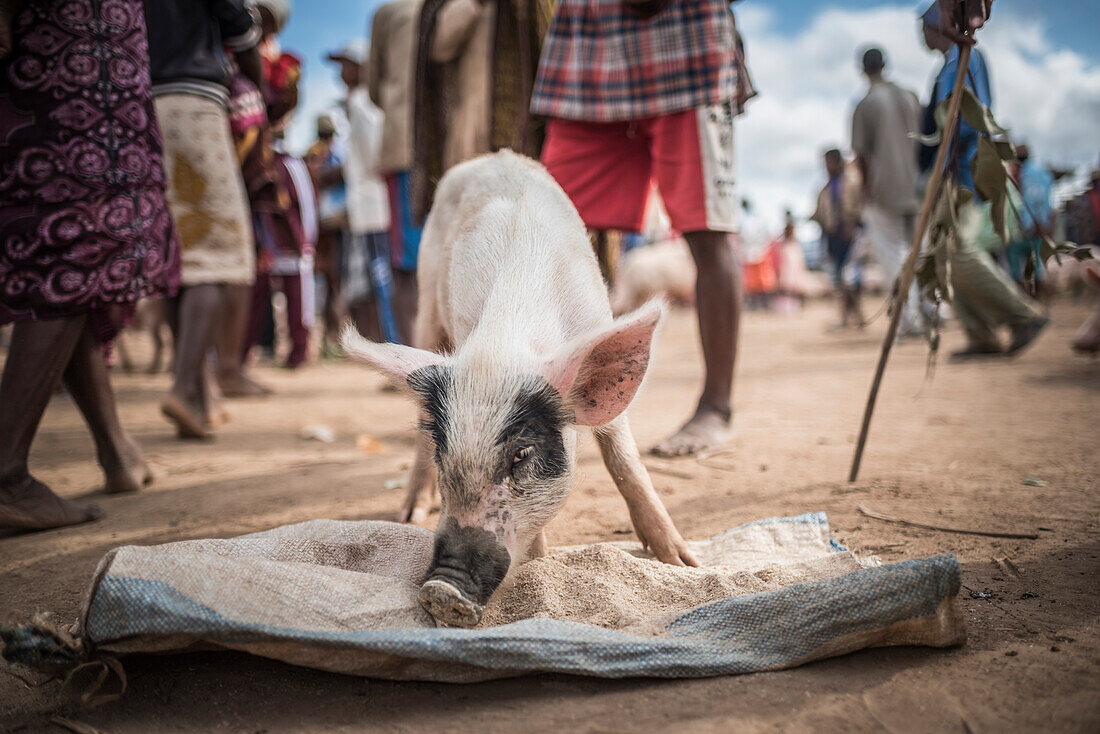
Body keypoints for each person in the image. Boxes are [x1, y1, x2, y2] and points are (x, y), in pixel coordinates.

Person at [531, 0, 756, 457]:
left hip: (685, 49)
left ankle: (716, 407)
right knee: (542, 230)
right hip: (588, 53)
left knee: (708, 232)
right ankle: (531, 400)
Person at [1, 0, 179, 530]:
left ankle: (116, 450)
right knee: (80, 232)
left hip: (76, 46)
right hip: (70, 51)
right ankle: (5, 473)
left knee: (73, 247)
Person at [145, 0, 261, 438]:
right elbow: (238, 20)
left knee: (181, 257)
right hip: (195, 104)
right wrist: (259, 84)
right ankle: (182, 387)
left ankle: (197, 390)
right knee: (214, 259)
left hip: (143, 104)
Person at [920, 4, 1048, 359]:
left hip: (958, 174)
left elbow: (966, 121)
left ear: (943, 25)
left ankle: (1023, 315)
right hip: (949, 171)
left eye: (926, 26)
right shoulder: (947, 65)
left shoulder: (965, 60)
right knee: (944, 253)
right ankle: (981, 334)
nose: (923, 34)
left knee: (957, 251)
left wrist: (943, 166)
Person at [413, 0, 554, 219]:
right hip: (469, 135)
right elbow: (438, 46)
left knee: (525, 216)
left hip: (526, 134)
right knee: (469, 218)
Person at [330, 42, 400, 343]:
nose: (341, 72)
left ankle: (396, 349)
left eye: (346, 65)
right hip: (371, 207)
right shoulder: (359, 102)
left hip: (374, 208)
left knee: (383, 283)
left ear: (361, 67)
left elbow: (374, 157)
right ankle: (391, 346)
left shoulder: (361, 102)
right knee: (378, 284)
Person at [852, 47, 924, 337]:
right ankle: (934, 311)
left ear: (863, 69)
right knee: (919, 252)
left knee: (893, 257)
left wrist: (867, 193)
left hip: (885, 191)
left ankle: (909, 320)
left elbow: (861, 156)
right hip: (918, 187)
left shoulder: (866, 103)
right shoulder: (911, 96)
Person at [369, 0, 424, 344]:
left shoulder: (389, 13)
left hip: (408, 146)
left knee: (407, 264)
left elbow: (375, 87)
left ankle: (414, 362)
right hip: (452, 149)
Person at [305, 114, 349, 357]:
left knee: (332, 284)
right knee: (330, 282)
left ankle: (329, 338)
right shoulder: (320, 154)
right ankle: (328, 339)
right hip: (325, 229)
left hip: (331, 227)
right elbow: (317, 180)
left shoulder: (322, 152)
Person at [812, 149, 865, 328]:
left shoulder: (851, 183)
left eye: (829, 162)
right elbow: (820, 213)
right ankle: (848, 317)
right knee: (840, 279)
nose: (827, 166)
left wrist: (853, 223)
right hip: (833, 239)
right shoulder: (826, 188)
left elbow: (860, 206)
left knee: (849, 277)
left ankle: (856, 316)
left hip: (851, 237)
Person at [1005, 144, 1053, 292]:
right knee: (1034, 264)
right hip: (1031, 227)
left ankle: (1029, 300)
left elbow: (1036, 198)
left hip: (1028, 227)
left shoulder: (1029, 173)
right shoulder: (1042, 173)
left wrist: (1037, 222)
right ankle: (1032, 300)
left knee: (1021, 266)